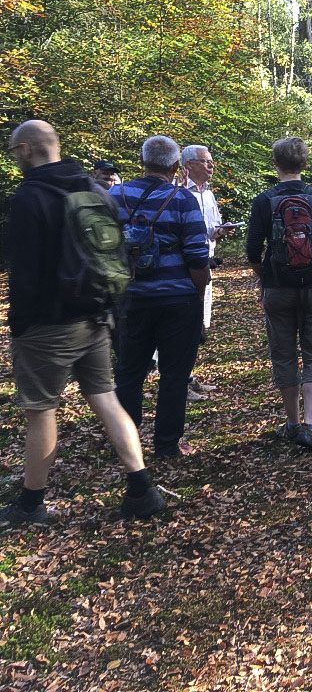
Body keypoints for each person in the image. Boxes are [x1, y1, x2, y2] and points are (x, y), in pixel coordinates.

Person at [1, 120, 164, 525]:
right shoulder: (93, 189)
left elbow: (25, 271)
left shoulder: (30, 197)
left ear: (26, 150)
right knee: (105, 397)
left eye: (13, 150)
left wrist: (18, 324)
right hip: (97, 315)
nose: (13, 157)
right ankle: (141, 488)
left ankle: (31, 504)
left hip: (48, 324)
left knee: (41, 410)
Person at [114, 136, 211, 460]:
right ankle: (167, 444)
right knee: (174, 373)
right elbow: (198, 257)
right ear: (174, 166)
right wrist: (198, 295)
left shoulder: (117, 195)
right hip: (177, 300)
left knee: (129, 371)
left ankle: (126, 441)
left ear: (143, 161)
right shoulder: (183, 200)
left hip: (130, 298)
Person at [246, 137, 312, 448]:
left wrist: (264, 277)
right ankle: (311, 424)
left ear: (276, 164)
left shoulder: (264, 200)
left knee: (284, 353)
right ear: (305, 164)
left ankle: (291, 423)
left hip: (277, 288)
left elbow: (252, 251)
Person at [182, 144, 235, 399]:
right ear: (189, 165)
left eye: (211, 161)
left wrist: (221, 231)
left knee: (201, 323)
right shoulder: (179, 193)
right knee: (186, 323)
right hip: (185, 267)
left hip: (208, 264)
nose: (211, 166)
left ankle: (189, 376)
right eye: (205, 162)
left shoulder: (209, 195)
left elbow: (210, 231)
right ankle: (180, 380)